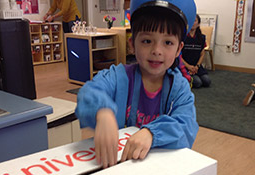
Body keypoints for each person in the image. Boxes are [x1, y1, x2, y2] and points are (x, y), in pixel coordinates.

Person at [75, 0, 199, 169]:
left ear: (179, 50)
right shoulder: (117, 77)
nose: (157, 50)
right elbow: (89, 92)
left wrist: (152, 133)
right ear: (132, 44)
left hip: (159, 167)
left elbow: (186, 125)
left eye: (168, 42)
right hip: (119, 164)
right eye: (147, 41)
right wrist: (102, 112)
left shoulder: (179, 88)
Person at [181, 14, 211, 88]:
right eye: (191, 20)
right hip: (185, 66)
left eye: (194, 21)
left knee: (207, 81)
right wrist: (188, 67)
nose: (192, 22)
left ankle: (193, 73)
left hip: (196, 66)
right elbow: (178, 55)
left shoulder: (201, 37)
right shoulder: (182, 37)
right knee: (198, 83)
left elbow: (202, 54)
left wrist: (197, 66)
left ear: (198, 24)